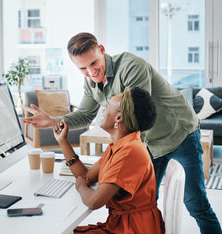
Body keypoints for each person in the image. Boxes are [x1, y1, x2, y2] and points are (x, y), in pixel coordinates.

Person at [22, 32, 222, 233]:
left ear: (101, 50)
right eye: (82, 68)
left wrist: (113, 162)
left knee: (195, 203)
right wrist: (55, 121)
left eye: (93, 63)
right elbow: (85, 115)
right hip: (147, 143)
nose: (91, 72)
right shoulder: (92, 82)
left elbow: (133, 118)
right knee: (142, 200)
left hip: (179, 133)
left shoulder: (131, 68)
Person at [54, 87, 164, 233]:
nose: (103, 111)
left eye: (107, 107)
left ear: (119, 118)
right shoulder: (121, 145)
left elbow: (94, 201)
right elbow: (86, 176)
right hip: (123, 225)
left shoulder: (129, 152)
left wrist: (80, 186)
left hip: (135, 229)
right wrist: (63, 141)